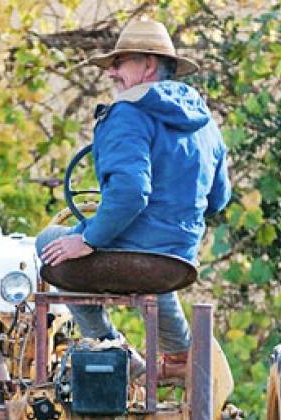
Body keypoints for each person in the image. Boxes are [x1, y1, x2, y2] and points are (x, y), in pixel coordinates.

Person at [37, 17, 230, 385]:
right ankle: (178, 353)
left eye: (120, 62)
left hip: (133, 250)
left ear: (149, 66)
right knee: (151, 262)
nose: (112, 72)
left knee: (49, 242)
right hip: (177, 260)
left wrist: (89, 239)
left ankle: (109, 347)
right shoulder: (207, 126)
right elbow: (218, 200)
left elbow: (129, 193)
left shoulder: (127, 113)